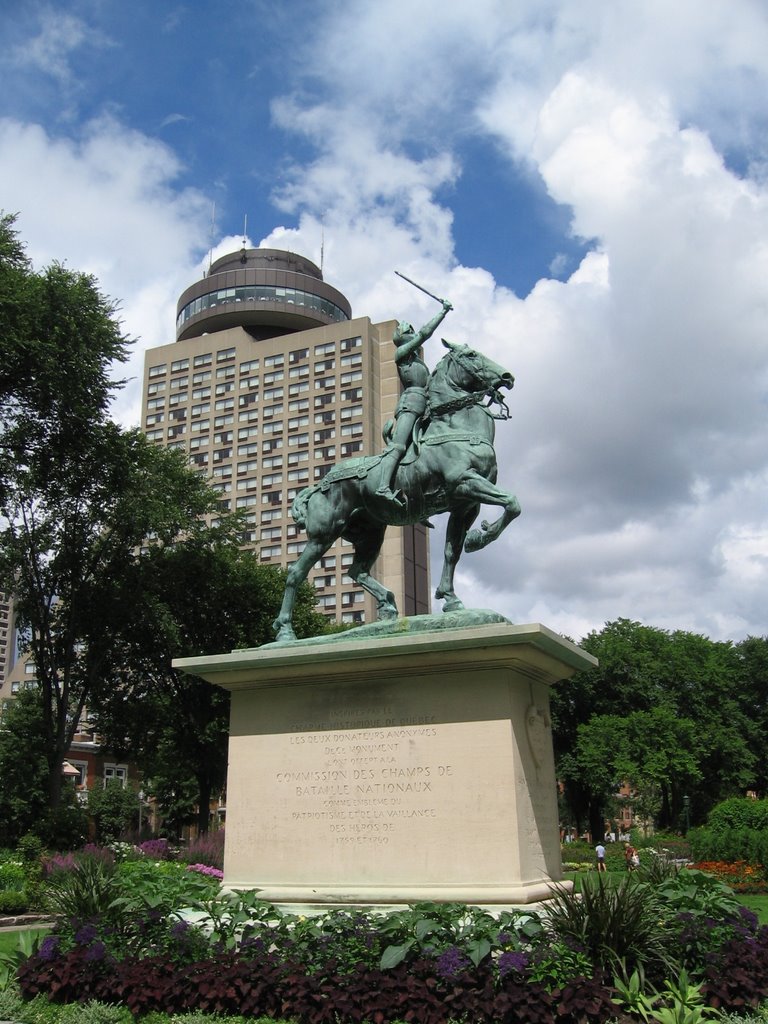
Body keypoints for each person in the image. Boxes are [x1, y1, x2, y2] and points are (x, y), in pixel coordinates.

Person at [375, 298, 453, 506]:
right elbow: (425, 334)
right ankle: (383, 486)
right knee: (399, 446)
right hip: (410, 403)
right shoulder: (401, 353)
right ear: (402, 336)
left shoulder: (417, 361)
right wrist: (442, 312)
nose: (413, 331)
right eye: (409, 330)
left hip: (426, 404)